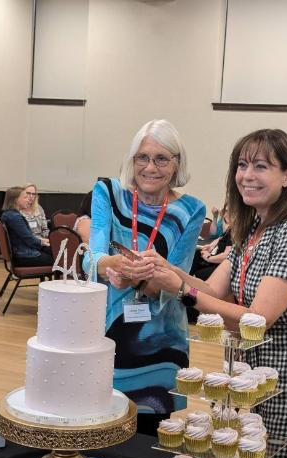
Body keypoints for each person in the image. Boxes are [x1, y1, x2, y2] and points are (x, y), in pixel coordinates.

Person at [147, 129, 287, 458]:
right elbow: (210, 287)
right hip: (258, 372)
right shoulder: (255, 228)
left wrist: (181, 289)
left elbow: (258, 318)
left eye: (260, 166)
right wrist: (167, 267)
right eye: (242, 165)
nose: (247, 175)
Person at [84, 119, 205, 435]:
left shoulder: (192, 209)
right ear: (131, 160)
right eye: (142, 157)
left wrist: (135, 276)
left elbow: (174, 282)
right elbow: (91, 258)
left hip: (161, 339)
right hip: (107, 329)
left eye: (162, 158)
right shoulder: (108, 193)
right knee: (101, 422)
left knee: (150, 430)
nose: (150, 167)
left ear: (177, 163)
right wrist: (116, 265)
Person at [0, 187, 53, 266]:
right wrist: (45, 242)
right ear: (16, 200)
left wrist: (44, 241)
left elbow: (27, 236)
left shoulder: (9, 214)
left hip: (21, 252)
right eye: (25, 197)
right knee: (58, 258)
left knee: (54, 251)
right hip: (23, 255)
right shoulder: (15, 217)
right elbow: (29, 239)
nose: (28, 199)